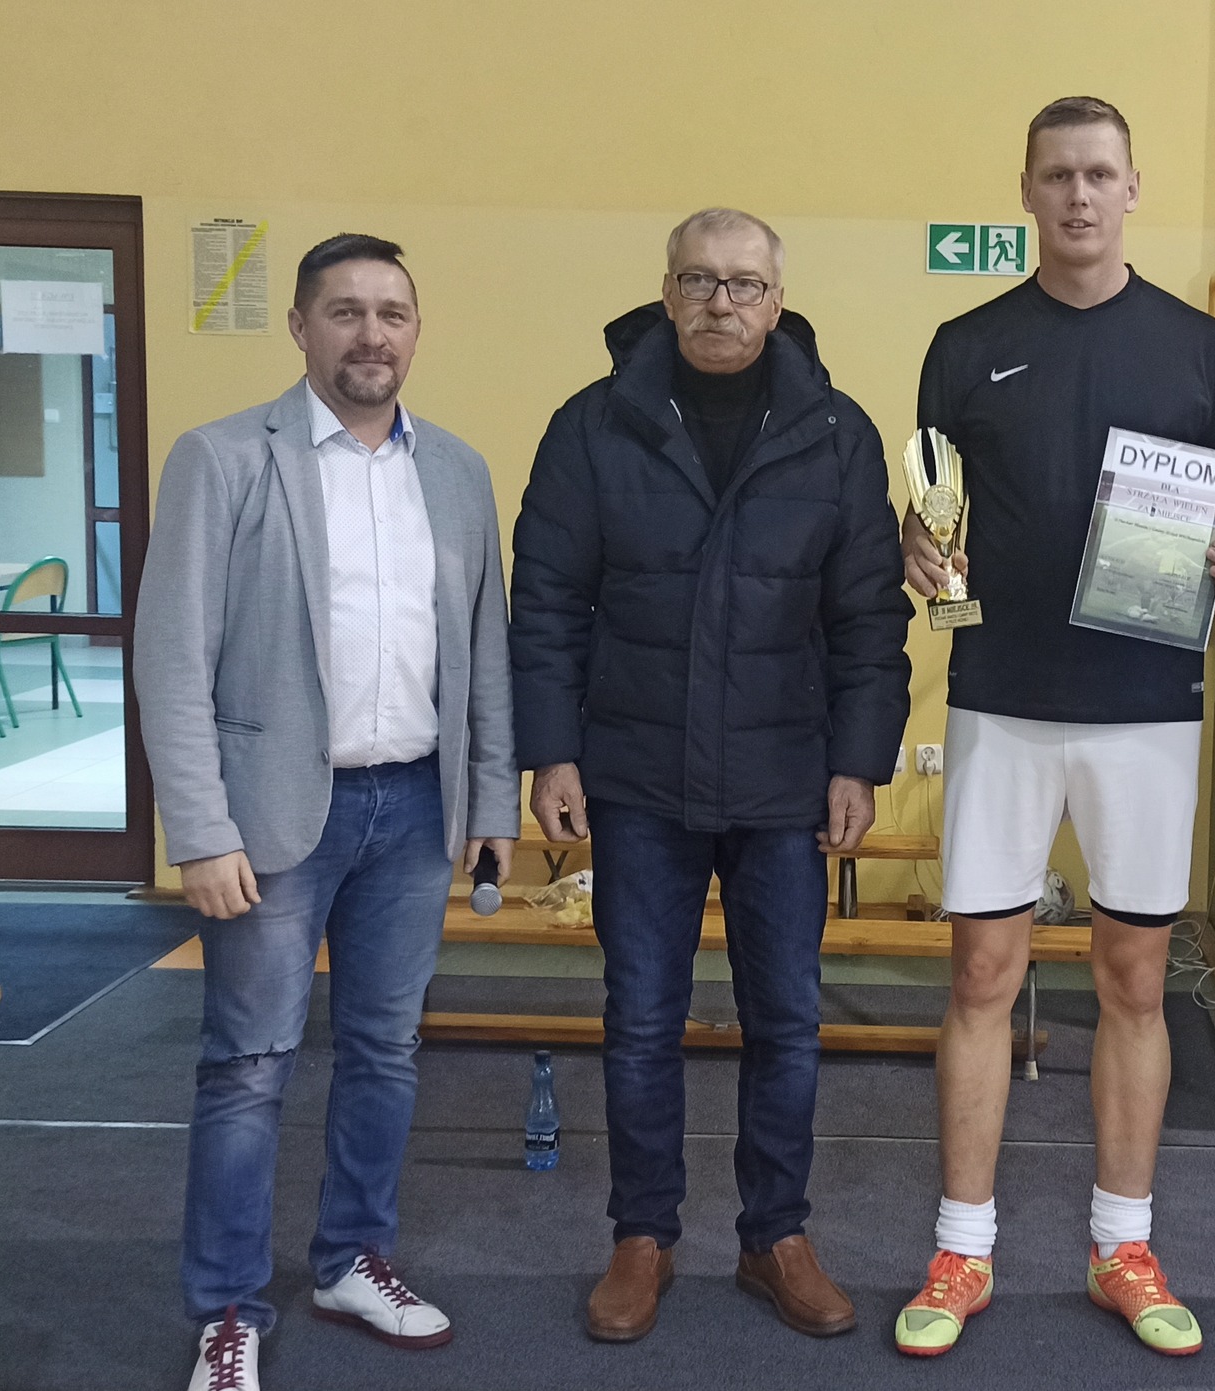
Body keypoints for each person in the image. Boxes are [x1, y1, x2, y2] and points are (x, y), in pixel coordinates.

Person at [891, 96, 1215, 1360]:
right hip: (998, 699)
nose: (1078, 195)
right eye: (1056, 175)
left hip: (1145, 708)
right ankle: (961, 1246)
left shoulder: (1199, 348)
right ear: (1026, 190)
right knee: (979, 976)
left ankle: (1122, 1243)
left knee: (1133, 979)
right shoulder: (963, 343)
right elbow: (931, 510)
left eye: (1099, 173)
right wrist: (917, 551)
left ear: (1131, 188)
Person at [511, 208, 911, 1344]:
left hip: (786, 779)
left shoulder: (835, 432)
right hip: (636, 773)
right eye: (697, 280)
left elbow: (866, 616)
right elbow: (545, 600)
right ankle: (642, 1235)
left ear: (777, 302)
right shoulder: (593, 425)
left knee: (785, 1019)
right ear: (666, 292)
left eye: (742, 284)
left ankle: (774, 1233)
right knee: (641, 1017)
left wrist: (858, 761)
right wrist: (551, 748)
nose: (719, 302)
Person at [138, 234, 517, 1391]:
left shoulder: (455, 470)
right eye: (345, 311)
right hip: (269, 818)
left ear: (416, 329)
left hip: (413, 809)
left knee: (384, 1051)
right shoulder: (221, 458)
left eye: (392, 312)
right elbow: (171, 657)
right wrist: (201, 828)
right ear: (299, 326)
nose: (371, 333)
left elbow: (483, 650)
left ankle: (353, 1258)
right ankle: (227, 1307)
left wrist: (490, 797)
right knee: (249, 1065)